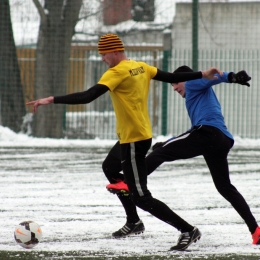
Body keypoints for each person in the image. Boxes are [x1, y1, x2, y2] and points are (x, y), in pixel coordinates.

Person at [27, 34, 223, 251]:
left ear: (114, 51)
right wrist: (202, 74)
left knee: (141, 196)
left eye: (103, 54)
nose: (102, 58)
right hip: (136, 136)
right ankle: (134, 222)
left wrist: (51, 99)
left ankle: (187, 230)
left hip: (133, 141)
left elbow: (87, 96)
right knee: (110, 168)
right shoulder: (141, 67)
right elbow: (169, 76)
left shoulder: (116, 72)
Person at [106, 65, 260, 247]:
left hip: (208, 134)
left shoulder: (194, 82)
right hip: (220, 140)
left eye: (176, 83)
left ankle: (129, 182)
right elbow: (192, 131)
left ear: (186, 79)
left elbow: (214, 77)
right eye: (172, 85)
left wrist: (233, 77)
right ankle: (255, 230)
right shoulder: (196, 97)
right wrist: (167, 142)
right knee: (225, 187)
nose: (175, 88)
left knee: (160, 153)